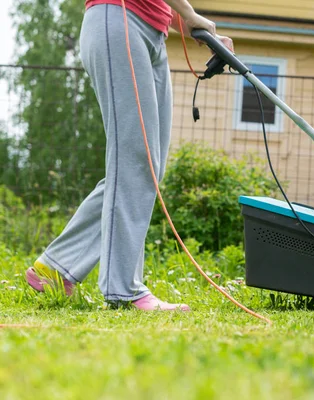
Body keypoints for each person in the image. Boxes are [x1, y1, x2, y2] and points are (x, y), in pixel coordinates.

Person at [25, 0, 234, 311]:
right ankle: (124, 290)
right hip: (119, 19)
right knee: (136, 161)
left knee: (147, 166)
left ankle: (56, 268)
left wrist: (194, 27)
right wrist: (190, 13)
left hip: (152, 33)